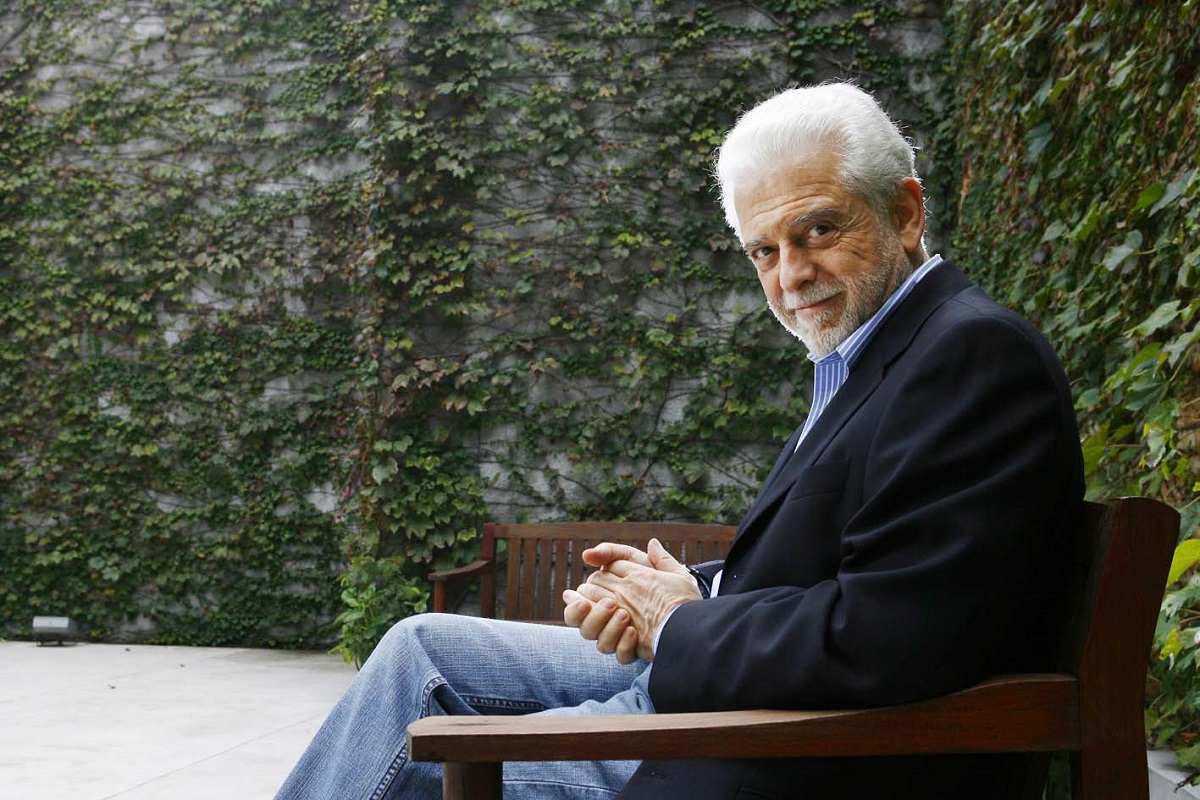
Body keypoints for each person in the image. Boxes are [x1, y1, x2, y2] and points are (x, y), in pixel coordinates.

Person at [275, 82, 1083, 800]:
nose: (791, 276)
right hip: (737, 701)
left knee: (411, 764)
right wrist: (683, 589)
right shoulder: (880, 354)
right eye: (764, 251)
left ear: (905, 213)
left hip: (776, 752)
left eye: (818, 230)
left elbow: (886, 640)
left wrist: (675, 623)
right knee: (418, 648)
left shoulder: (971, 357)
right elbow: (839, 565)